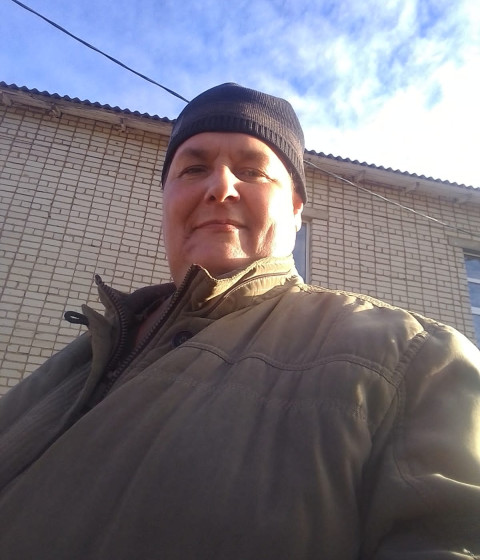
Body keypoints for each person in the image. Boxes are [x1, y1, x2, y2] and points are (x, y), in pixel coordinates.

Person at [0, 82, 479, 559]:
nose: (220, 187)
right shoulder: (73, 364)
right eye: (194, 169)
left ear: (296, 210)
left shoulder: (411, 359)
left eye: (251, 170)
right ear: (166, 198)